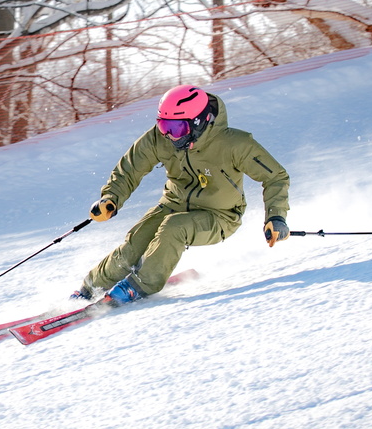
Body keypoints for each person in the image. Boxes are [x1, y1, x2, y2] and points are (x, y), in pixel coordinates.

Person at [75, 84, 290, 306]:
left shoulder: (235, 144)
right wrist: (111, 198)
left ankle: (140, 286)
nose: (169, 135)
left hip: (220, 215)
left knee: (173, 229)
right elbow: (130, 169)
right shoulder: (160, 139)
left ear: (198, 122)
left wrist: (276, 217)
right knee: (135, 244)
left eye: (176, 128)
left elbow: (276, 177)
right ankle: (90, 288)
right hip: (173, 205)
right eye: (163, 126)